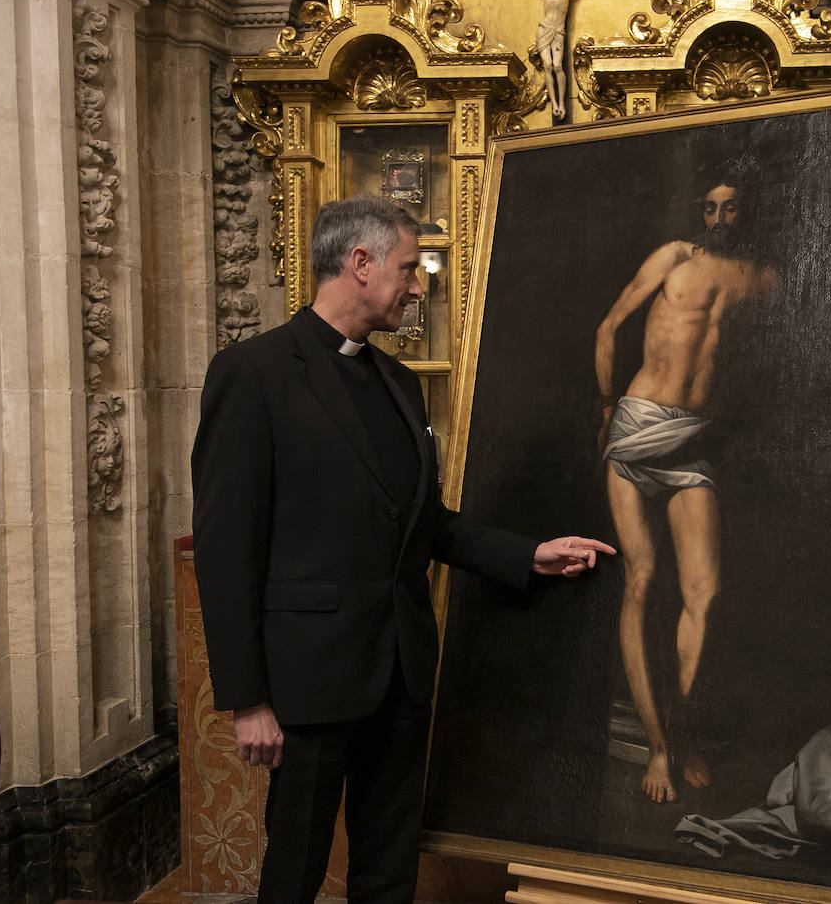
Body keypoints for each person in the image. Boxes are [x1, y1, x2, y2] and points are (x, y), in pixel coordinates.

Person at [192, 195, 614, 903]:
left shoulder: (397, 382)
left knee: (389, 870)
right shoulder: (253, 373)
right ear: (359, 264)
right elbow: (225, 548)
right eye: (408, 268)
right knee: (293, 870)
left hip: (400, 674)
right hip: (309, 685)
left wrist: (527, 554)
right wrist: (247, 700)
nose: (418, 285)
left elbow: (426, 524)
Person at [594, 177, 777, 803]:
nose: (720, 217)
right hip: (640, 426)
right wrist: (604, 408)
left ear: (747, 213)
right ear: (699, 211)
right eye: (711, 207)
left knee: (707, 594)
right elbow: (612, 324)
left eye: (732, 207)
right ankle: (659, 747)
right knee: (641, 581)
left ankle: (682, 726)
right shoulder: (674, 257)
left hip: (696, 439)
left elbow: (771, 366)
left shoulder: (764, 280)